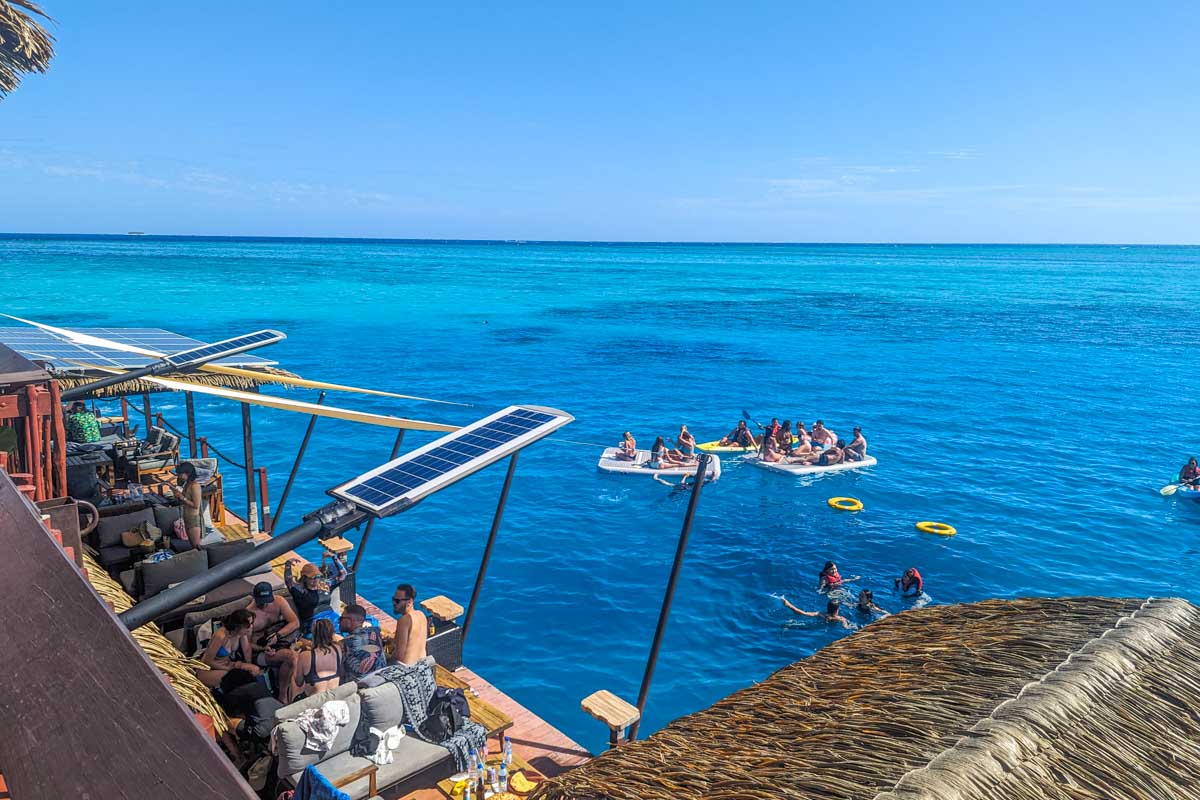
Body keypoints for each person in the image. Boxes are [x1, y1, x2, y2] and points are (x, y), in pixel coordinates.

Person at [246, 581, 300, 692]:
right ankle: (283, 695)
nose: (264, 605)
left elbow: (295, 622)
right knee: (290, 657)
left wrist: (278, 635)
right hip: (260, 650)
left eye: (267, 601)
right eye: (261, 602)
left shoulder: (279, 601)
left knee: (308, 648)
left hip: (279, 641)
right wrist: (263, 648)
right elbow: (246, 644)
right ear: (254, 598)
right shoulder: (249, 614)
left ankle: (294, 691)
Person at [197, 609, 261, 689]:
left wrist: (248, 665)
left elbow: (247, 650)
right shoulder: (220, 636)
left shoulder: (241, 633)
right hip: (208, 669)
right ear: (238, 626)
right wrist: (230, 669)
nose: (251, 627)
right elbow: (208, 661)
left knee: (255, 670)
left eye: (251, 623)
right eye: (248, 625)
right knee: (234, 679)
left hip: (227, 664)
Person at [284, 560, 343, 636]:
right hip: (312, 621)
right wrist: (288, 564)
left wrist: (335, 558)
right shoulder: (299, 590)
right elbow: (288, 581)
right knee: (322, 636)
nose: (315, 580)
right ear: (304, 578)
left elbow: (343, 575)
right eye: (312, 577)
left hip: (331, 616)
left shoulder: (324, 585)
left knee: (341, 630)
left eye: (318, 577)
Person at [292, 618, 341, 700]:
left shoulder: (305, 656)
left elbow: (298, 682)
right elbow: (324, 650)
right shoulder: (337, 649)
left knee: (294, 680)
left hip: (314, 702)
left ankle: (286, 702)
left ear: (314, 634)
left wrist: (295, 658)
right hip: (333, 699)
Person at [338, 603, 386, 681]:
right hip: (380, 679)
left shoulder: (344, 644)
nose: (338, 621)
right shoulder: (375, 632)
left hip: (360, 686)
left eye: (341, 618)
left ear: (351, 620)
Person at [390, 583, 428, 665]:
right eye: (393, 599)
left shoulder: (404, 620)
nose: (394, 603)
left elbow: (399, 655)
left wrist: (385, 659)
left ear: (409, 602)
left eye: (397, 601)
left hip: (407, 672)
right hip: (423, 668)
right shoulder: (422, 615)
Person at [169, 462, 204, 548]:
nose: (179, 476)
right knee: (192, 544)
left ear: (188, 473)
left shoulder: (195, 486)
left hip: (193, 520)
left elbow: (196, 505)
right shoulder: (187, 484)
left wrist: (181, 497)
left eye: (181, 474)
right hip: (187, 517)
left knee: (196, 545)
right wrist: (175, 492)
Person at [780, 596, 851, 629]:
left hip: (820, 622)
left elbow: (802, 613)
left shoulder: (820, 614)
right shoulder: (841, 619)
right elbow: (846, 628)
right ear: (837, 609)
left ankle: (789, 625)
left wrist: (789, 605)